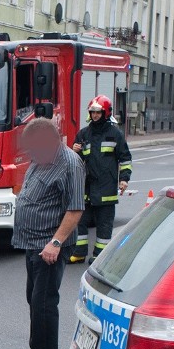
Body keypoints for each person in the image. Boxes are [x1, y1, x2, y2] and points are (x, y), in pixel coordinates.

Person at [11, 118, 85, 349]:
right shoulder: (41, 157)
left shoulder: (70, 164)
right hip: (33, 243)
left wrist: (55, 243)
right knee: (34, 298)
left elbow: (75, 209)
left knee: (44, 302)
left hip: (49, 245)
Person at [69, 95, 132, 264]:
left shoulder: (115, 134)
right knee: (80, 222)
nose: (95, 115)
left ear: (105, 113)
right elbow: (75, 161)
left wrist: (124, 179)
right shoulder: (83, 134)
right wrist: (74, 150)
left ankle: (100, 256)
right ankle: (79, 252)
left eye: (98, 112)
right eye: (93, 112)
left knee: (104, 225)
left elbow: (125, 158)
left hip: (106, 187)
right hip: (86, 188)